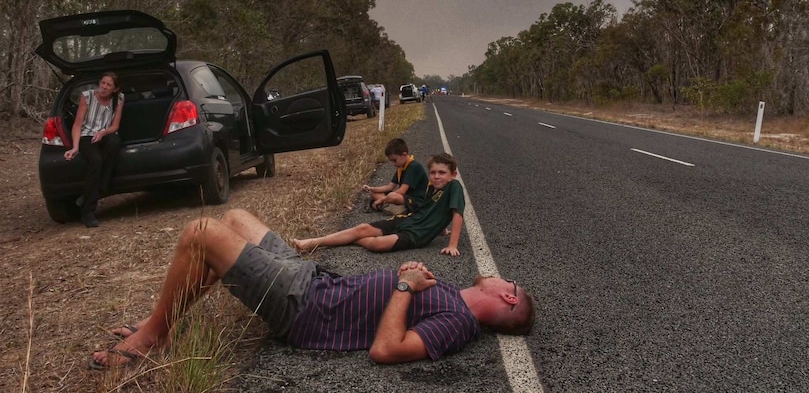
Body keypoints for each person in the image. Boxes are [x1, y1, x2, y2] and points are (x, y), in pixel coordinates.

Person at [89, 208, 535, 369]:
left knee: (200, 232)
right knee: (236, 218)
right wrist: (411, 283)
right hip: (314, 282)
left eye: (508, 282)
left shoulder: (460, 324)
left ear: (507, 297)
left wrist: (404, 284)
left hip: (304, 307)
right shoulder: (455, 300)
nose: (500, 277)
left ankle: (153, 337)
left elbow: (386, 350)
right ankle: (162, 322)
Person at [293, 153, 465, 256]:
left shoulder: (454, 186)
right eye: (433, 172)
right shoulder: (431, 187)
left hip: (417, 234)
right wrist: (441, 229)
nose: (436, 176)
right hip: (407, 219)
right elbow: (431, 209)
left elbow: (456, 214)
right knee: (361, 228)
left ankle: (351, 241)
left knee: (377, 244)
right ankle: (312, 242)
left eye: (442, 173)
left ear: (453, 174)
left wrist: (452, 245)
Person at [64, 72, 124, 228]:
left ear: (115, 89)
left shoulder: (119, 99)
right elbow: (77, 125)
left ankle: (97, 191)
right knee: (96, 161)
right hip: (86, 136)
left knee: (115, 142)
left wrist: (103, 132)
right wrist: (75, 147)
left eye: (108, 85)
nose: (104, 87)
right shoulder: (88, 96)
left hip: (105, 134)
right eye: (102, 83)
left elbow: (115, 126)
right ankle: (88, 212)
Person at [365, 138, 428, 214]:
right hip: (404, 197)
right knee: (374, 194)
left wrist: (381, 200)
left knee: (392, 196)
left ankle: (386, 206)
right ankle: (389, 207)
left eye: (394, 160)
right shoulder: (401, 167)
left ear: (404, 155)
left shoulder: (414, 167)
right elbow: (389, 187)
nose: (393, 164)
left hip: (415, 200)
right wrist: (371, 189)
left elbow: (402, 191)